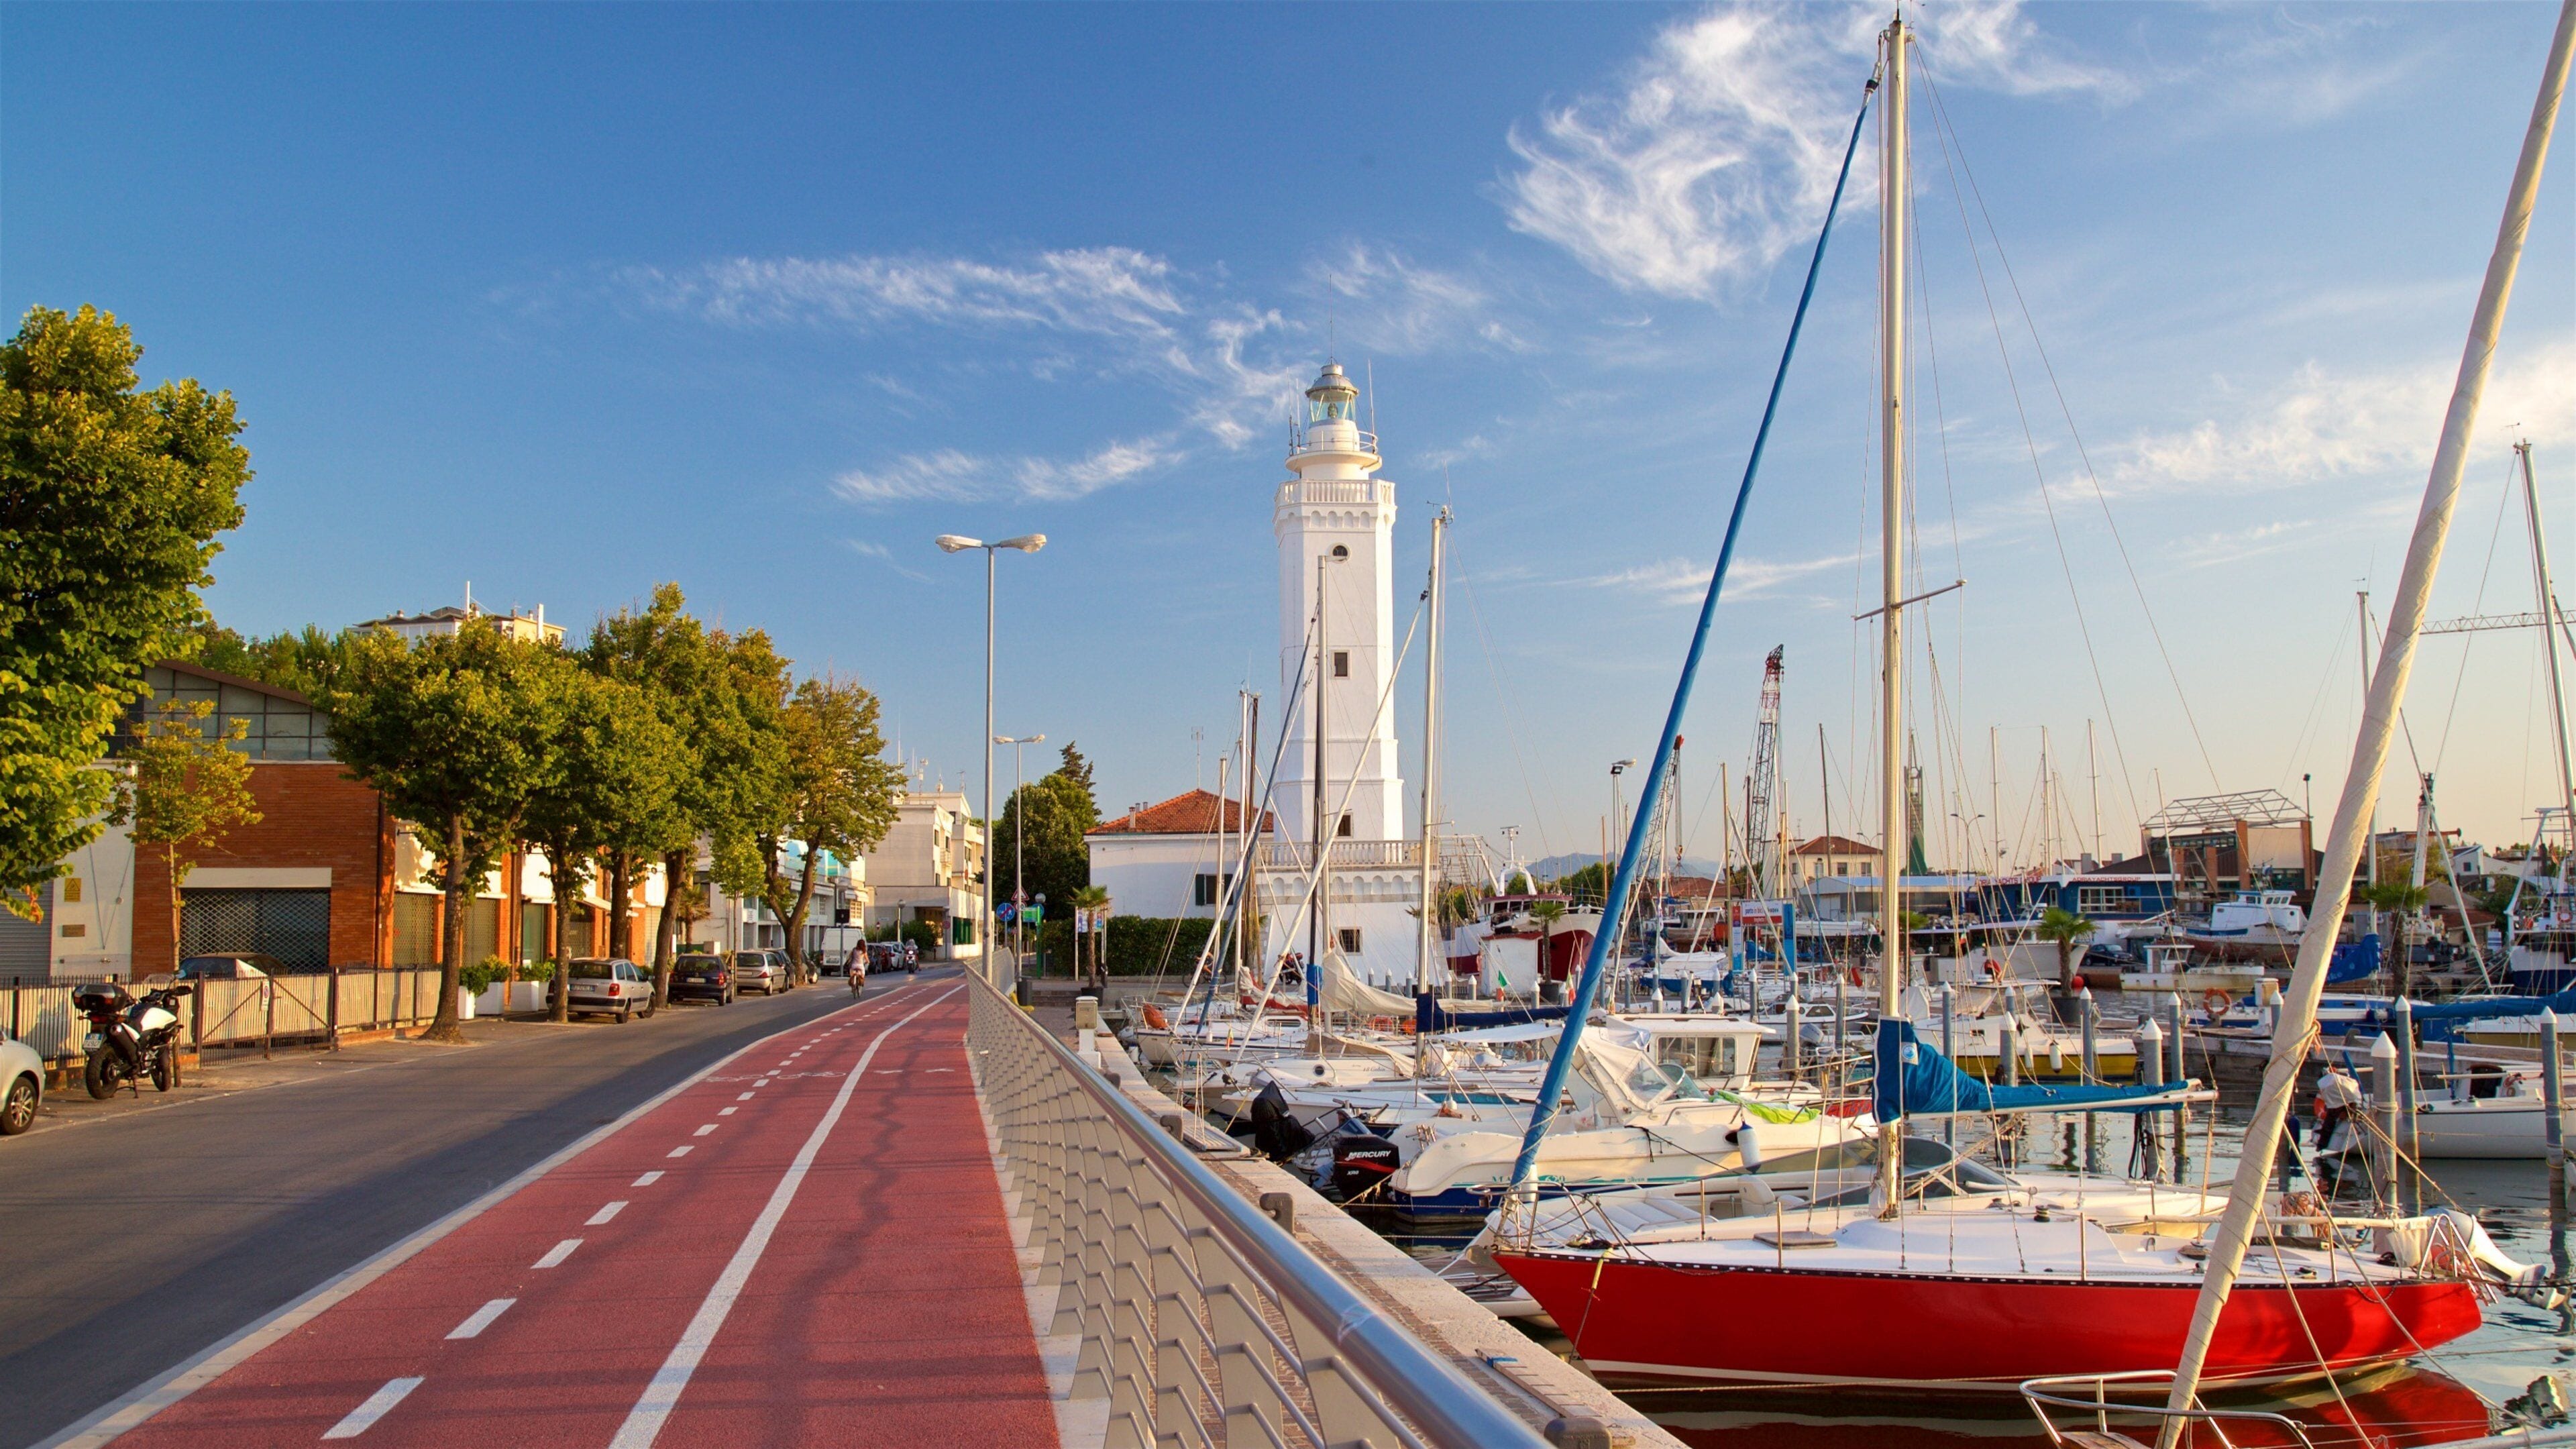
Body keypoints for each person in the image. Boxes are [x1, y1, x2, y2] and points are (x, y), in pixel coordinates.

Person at [2312, 1061, 2365, 1147]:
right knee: (2332, 1115)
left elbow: (2331, 1100)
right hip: (2354, 1102)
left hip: (2345, 1105)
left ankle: (2322, 1143)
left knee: (2330, 1119)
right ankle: (2323, 1139)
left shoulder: (2329, 1083)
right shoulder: (2345, 1081)